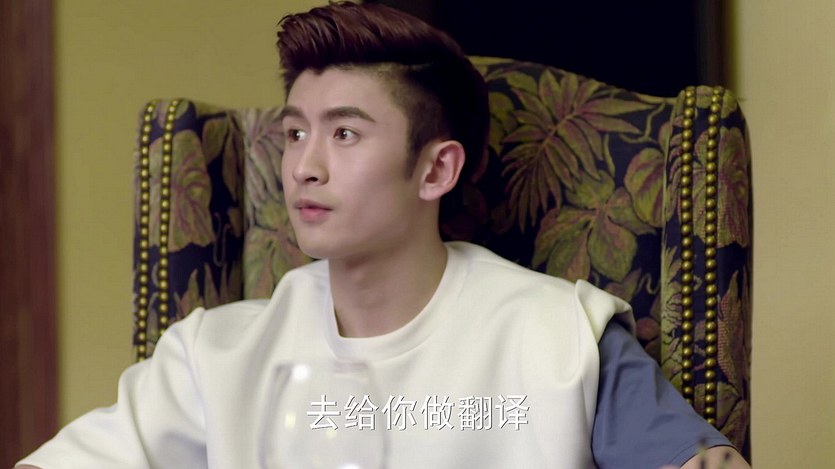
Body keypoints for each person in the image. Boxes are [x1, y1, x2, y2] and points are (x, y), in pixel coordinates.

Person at [17, 2, 751, 468]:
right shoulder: (215, 355)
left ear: (436, 169)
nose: (303, 166)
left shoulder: (561, 337)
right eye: (295, 132)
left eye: (344, 133)